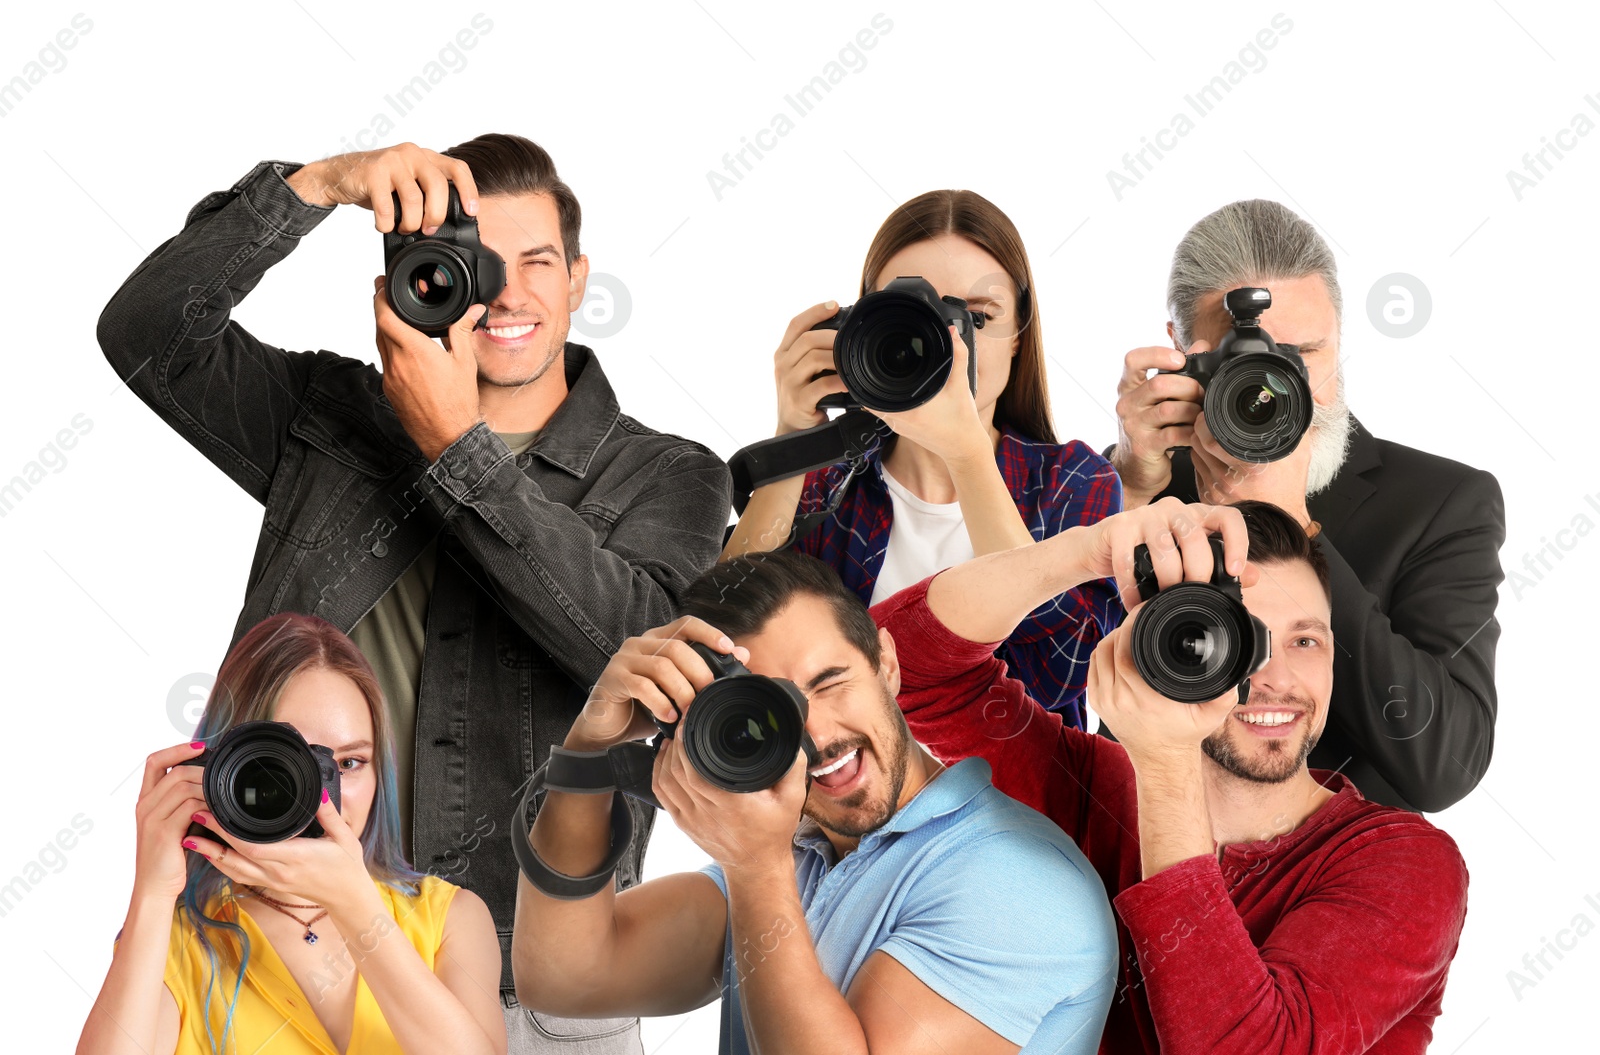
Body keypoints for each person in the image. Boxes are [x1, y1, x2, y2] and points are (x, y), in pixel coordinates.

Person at [96, 137, 733, 1052]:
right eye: (477, 265)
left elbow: (635, 662)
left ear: (580, 278)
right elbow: (147, 334)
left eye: (538, 263)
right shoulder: (329, 415)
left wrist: (455, 445)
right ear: (418, 279)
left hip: (539, 984)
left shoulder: (668, 476)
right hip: (279, 943)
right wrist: (320, 185)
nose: (508, 295)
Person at [880, 497, 1470, 1054]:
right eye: (1242, 640)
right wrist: (1085, 551)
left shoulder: (1405, 864)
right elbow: (896, 666)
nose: (1278, 678)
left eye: (1306, 640)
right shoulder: (1097, 786)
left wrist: (1166, 765)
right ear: (1176, 646)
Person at [510, 552, 1119, 1055]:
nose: (818, 734)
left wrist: (757, 869)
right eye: (778, 711)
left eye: (830, 684)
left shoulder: (1018, 881)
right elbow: (564, 979)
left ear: (887, 664)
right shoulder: (798, 857)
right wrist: (586, 753)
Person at [1108, 200, 1503, 811]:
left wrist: (1292, 522)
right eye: (1241, 358)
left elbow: (1444, 765)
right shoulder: (1138, 487)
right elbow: (1044, 700)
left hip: (1346, 881)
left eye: (1300, 357)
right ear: (1180, 351)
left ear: (1340, 339)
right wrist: (1126, 489)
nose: (1270, 388)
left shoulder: (1440, 503)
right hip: (1138, 868)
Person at [723, 189, 1121, 725]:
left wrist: (965, 451)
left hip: (1019, 808)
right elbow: (727, 654)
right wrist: (792, 440)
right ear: (862, 329)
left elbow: (1053, 674)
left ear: (1019, 339)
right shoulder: (822, 486)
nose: (949, 343)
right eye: (915, 319)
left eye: (976, 319)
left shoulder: (1072, 480)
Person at [77, 613, 506, 1055]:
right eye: (287, 766)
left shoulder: (452, 918)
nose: (320, 797)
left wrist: (356, 907)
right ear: (229, 768)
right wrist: (152, 891)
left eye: (348, 763)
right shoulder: (175, 940)